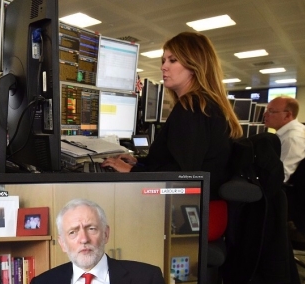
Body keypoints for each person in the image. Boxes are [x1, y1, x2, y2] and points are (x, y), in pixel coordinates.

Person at [101, 32, 242, 196]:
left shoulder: (192, 107)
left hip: (195, 207)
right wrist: (139, 162)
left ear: (194, 65)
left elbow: (182, 176)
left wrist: (132, 172)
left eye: (172, 60)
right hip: (205, 202)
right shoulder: (203, 104)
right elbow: (177, 162)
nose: (163, 66)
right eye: (163, 60)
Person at [23, 199, 168, 284]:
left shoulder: (148, 279)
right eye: (73, 232)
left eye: (91, 229)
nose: (84, 239)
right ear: (62, 243)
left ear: (105, 234)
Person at [263, 96, 305, 182]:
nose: (265, 114)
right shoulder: (286, 134)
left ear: (287, 115)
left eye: (271, 111)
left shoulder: (292, 138)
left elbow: (281, 176)